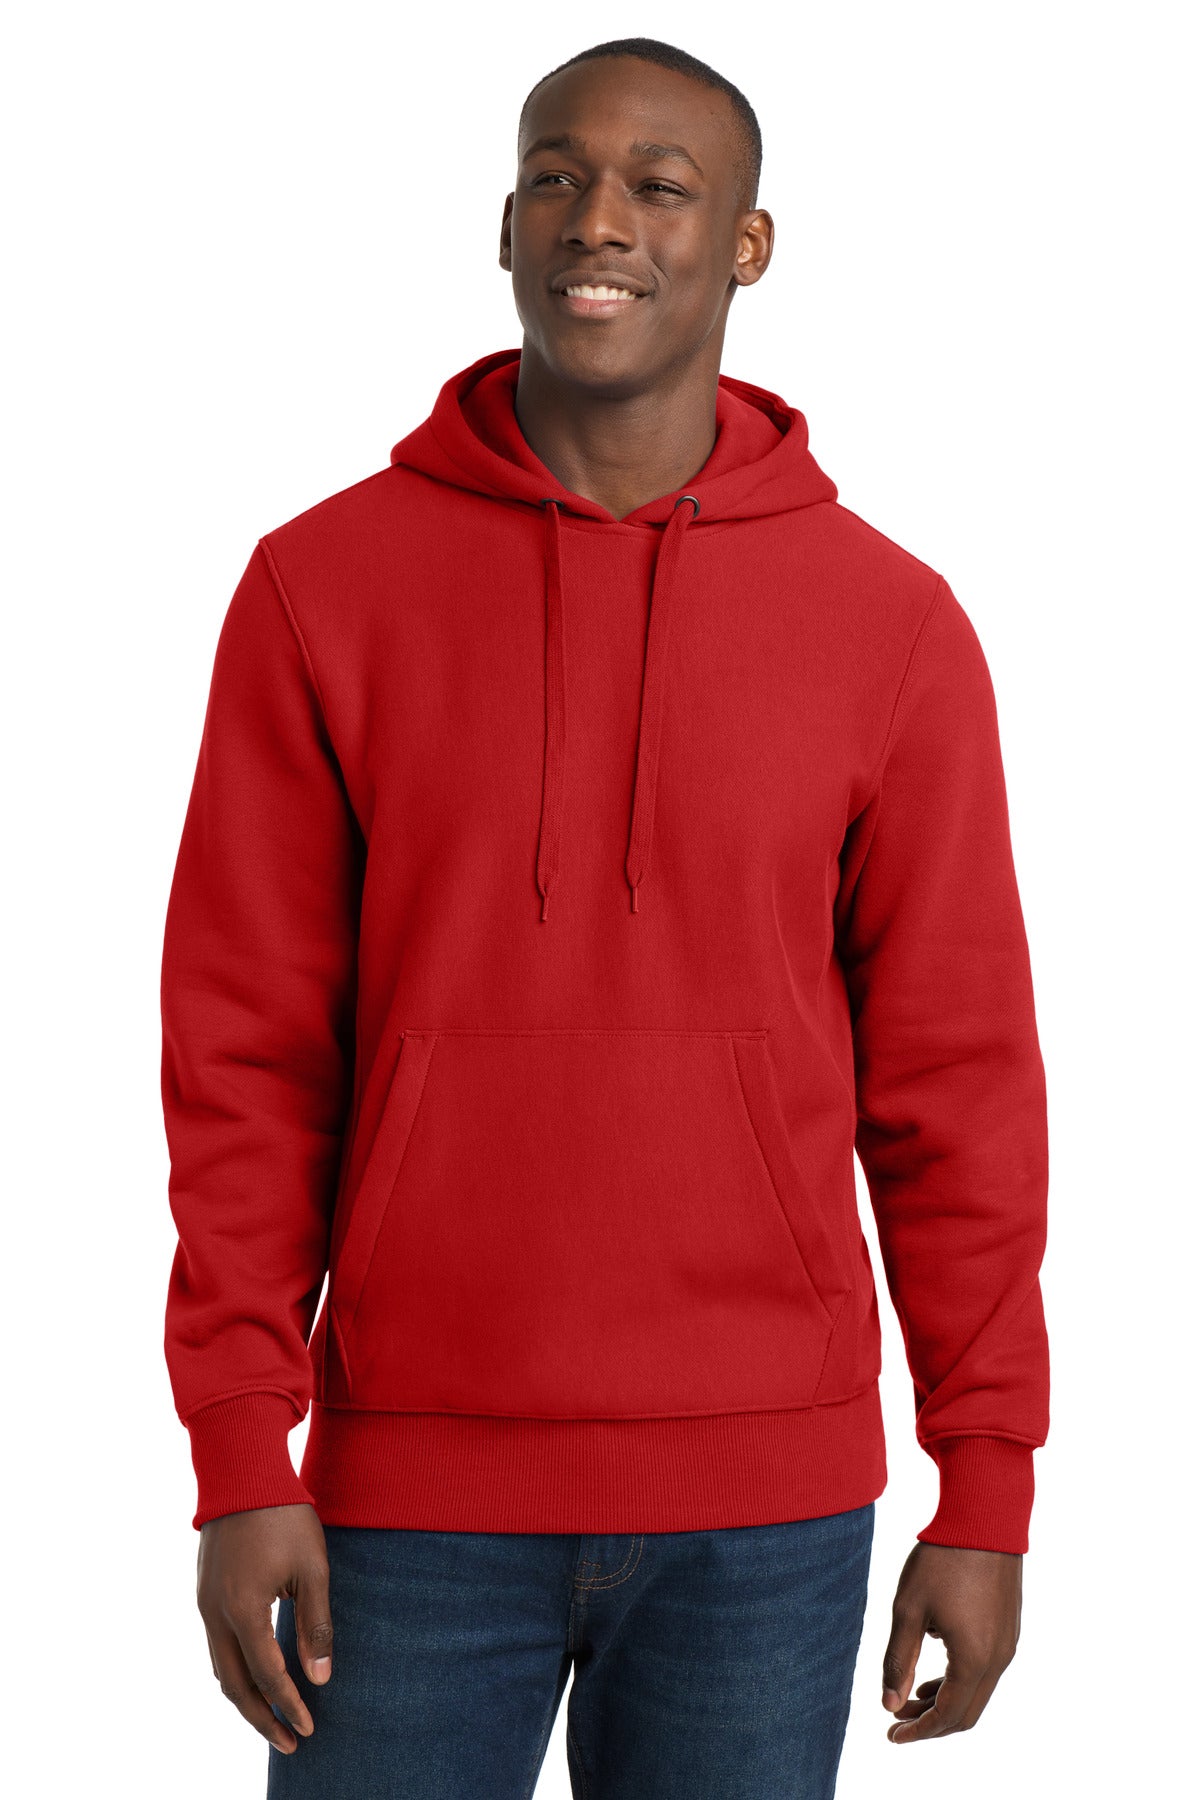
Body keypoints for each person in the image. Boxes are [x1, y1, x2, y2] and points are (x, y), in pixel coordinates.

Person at [160, 36, 1050, 1800]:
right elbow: (246, 1058)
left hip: (765, 1513)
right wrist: (242, 1451)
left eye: (661, 186)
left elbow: (956, 1086)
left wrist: (989, 1480)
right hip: (404, 1502)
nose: (601, 221)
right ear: (505, 226)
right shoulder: (320, 589)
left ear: (748, 244)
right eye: (557, 177)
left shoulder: (891, 627)